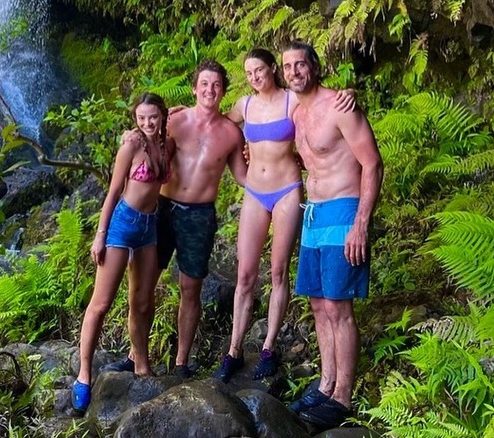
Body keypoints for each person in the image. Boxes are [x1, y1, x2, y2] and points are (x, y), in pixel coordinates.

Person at [213, 48, 356, 383]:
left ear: (273, 69)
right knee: (245, 274)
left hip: (286, 190)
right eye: (248, 73)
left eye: (260, 70)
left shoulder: (292, 100)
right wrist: (178, 116)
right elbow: (216, 124)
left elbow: (322, 104)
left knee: (278, 270)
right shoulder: (244, 106)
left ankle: (268, 346)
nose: (254, 78)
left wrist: (349, 94)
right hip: (254, 191)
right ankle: (234, 349)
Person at [104, 60, 247, 378]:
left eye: (216, 85)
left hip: (199, 215)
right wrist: (130, 136)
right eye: (204, 84)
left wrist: (275, 165)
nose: (210, 90)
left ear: (223, 90)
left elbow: (244, 176)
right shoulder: (175, 121)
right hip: (162, 209)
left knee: (190, 287)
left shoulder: (231, 134)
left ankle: (181, 362)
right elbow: (145, 136)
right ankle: (135, 355)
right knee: (143, 285)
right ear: (195, 87)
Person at [282, 41, 383, 428]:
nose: (294, 71)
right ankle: (325, 385)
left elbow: (372, 163)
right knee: (319, 304)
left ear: (315, 67)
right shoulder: (296, 113)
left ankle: (343, 396)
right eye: (288, 66)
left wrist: (361, 224)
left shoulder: (340, 106)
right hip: (313, 215)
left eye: (301, 64)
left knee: (339, 308)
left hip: (343, 211)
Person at [72, 92, 174, 413]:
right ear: (135, 119)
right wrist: (100, 235)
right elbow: (113, 191)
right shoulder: (130, 145)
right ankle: (84, 375)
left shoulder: (165, 144)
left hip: (149, 226)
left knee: (143, 301)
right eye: (141, 118)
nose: (147, 123)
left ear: (162, 116)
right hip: (122, 224)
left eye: (153, 117)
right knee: (101, 304)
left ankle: (140, 363)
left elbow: (185, 114)